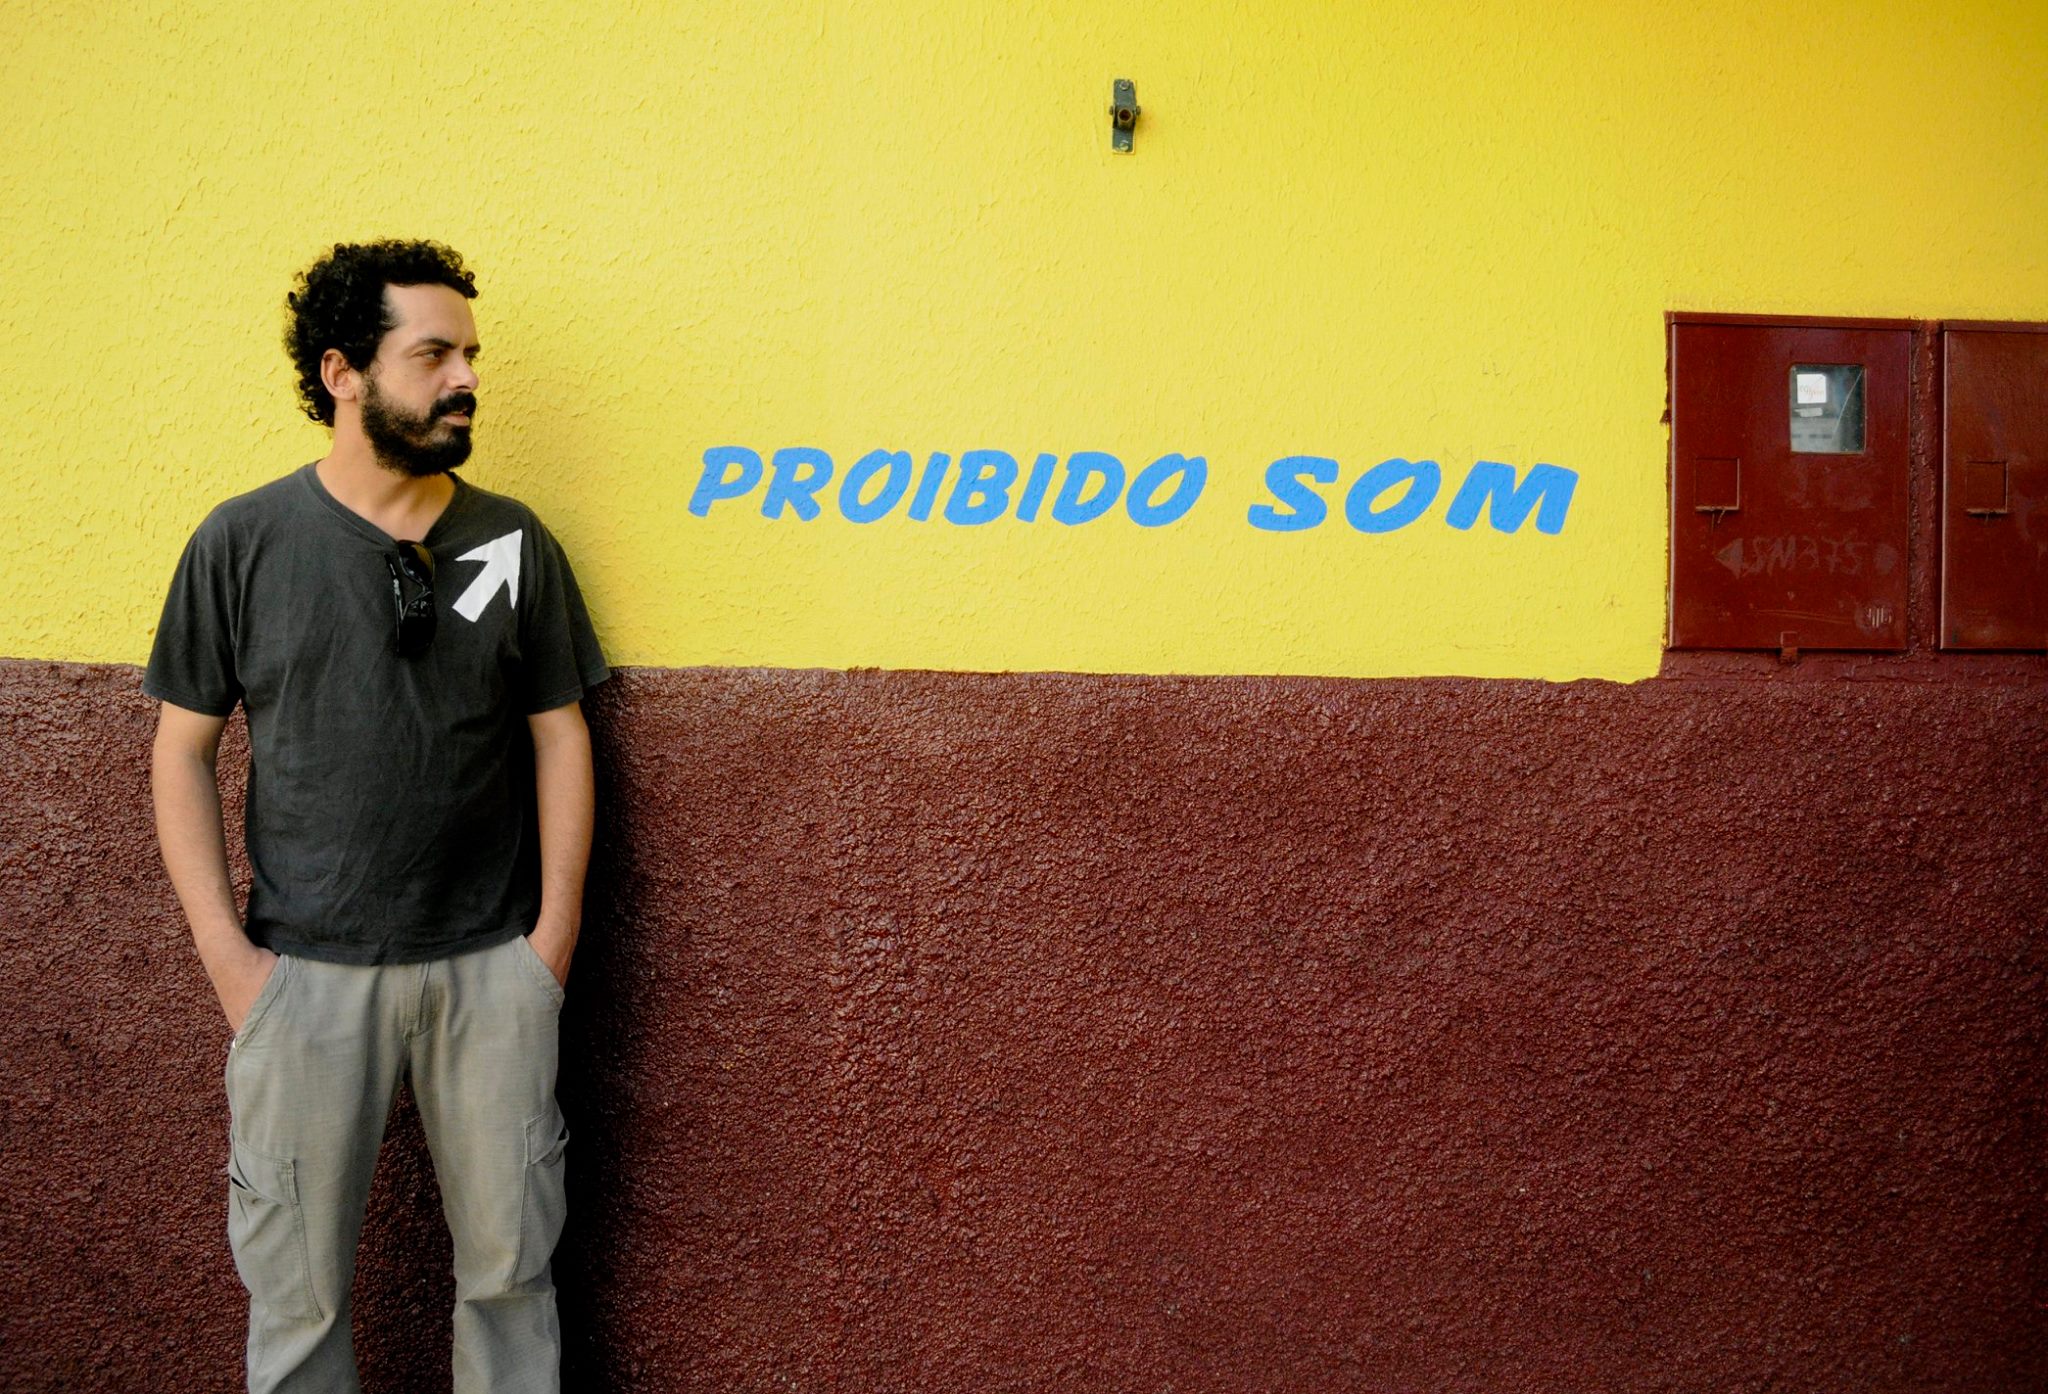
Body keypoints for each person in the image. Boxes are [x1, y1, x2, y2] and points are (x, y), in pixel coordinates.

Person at [146, 239, 608, 1393]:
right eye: (433, 354)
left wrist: (548, 944)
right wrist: (231, 963)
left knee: (512, 1283)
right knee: (296, 1302)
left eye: (470, 355)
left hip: (492, 973)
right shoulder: (243, 542)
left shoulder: (511, 540)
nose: (466, 379)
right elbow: (181, 751)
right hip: (301, 978)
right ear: (343, 372)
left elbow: (560, 734)